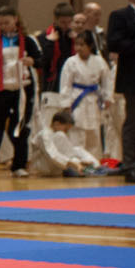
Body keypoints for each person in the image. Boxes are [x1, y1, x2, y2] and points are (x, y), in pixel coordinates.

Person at [0, 6, 41, 177]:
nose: (4, 26)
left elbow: (41, 60)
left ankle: (19, 165)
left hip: (23, 90)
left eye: (7, 22)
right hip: (1, 89)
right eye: (0, 23)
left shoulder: (28, 40)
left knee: (20, 127)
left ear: (16, 19)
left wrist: (32, 61)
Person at [58, 30, 111, 160]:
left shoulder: (99, 61)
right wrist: (66, 104)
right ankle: (77, 163)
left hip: (94, 99)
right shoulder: (71, 62)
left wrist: (107, 97)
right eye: (76, 44)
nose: (78, 48)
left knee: (94, 133)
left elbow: (107, 81)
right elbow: (65, 85)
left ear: (90, 46)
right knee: (77, 132)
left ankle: (94, 163)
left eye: (82, 45)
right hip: (77, 100)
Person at [29, 110, 101, 177]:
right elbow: (53, 155)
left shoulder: (55, 134)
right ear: (56, 124)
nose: (66, 132)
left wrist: (79, 162)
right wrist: (75, 164)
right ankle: (82, 167)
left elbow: (68, 152)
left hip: (57, 166)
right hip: (43, 168)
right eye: (66, 129)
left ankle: (95, 166)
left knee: (77, 149)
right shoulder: (43, 135)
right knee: (61, 135)